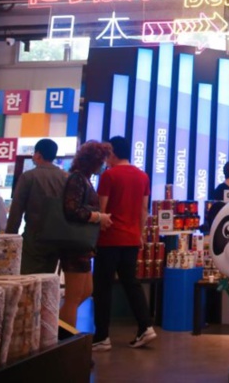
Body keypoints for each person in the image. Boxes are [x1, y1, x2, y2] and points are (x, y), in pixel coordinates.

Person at [92, 136, 156, 351]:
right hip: (131, 237)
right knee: (131, 283)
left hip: (109, 238)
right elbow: (144, 209)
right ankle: (146, 326)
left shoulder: (108, 176)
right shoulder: (142, 176)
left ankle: (102, 337)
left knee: (102, 287)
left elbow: (103, 209)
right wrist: (139, 233)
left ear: (112, 153)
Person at [59, 141, 113, 328]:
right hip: (75, 245)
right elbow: (72, 210)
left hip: (82, 246)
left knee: (85, 291)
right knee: (73, 297)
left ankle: (59, 328)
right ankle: (63, 340)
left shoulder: (83, 179)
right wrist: (98, 217)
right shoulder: (77, 179)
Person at [7, 139, 69, 274]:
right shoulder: (65, 177)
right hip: (57, 236)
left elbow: (16, 210)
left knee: (29, 278)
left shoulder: (28, 177)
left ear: (38, 155)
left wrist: (9, 237)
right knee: (48, 278)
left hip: (34, 237)